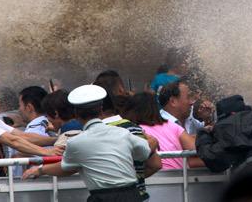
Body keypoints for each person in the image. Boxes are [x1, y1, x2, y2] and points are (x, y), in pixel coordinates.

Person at [22, 85, 162, 202]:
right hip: (132, 195)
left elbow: (66, 168)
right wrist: (153, 141)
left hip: (102, 197)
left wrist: (40, 169)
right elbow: (145, 151)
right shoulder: (122, 133)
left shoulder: (76, 142)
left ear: (76, 114)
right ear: (100, 110)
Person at [123, 92, 202, 170]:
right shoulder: (171, 125)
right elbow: (197, 148)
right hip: (182, 177)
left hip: (154, 178)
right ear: (156, 108)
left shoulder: (134, 130)